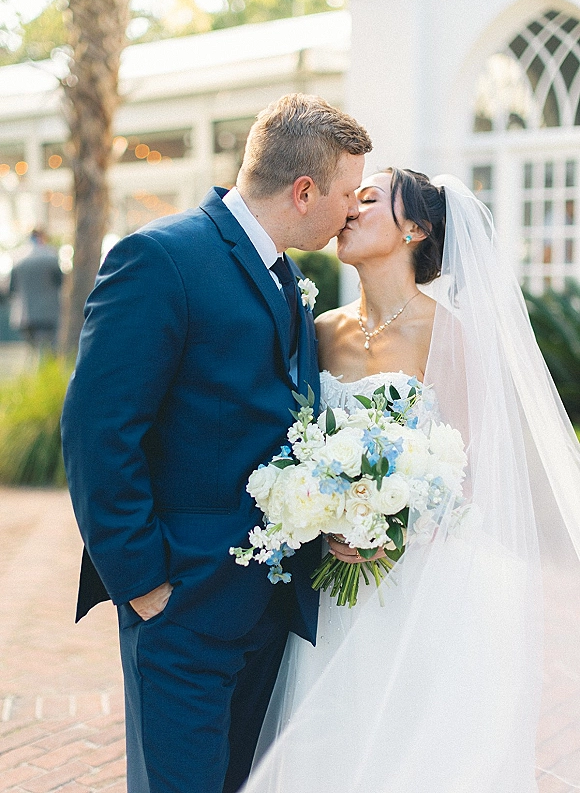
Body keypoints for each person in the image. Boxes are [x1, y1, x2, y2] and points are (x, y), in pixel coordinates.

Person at [60, 93, 372, 793]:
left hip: (265, 610)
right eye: (348, 193)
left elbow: (275, 427)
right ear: (303, 190)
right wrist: (143, 582)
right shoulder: (160, 259)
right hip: (184, 605)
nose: (353, 209)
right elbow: (96, 429)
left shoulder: (289, 277)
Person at [242, 169, 580, 793]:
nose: (350, 209)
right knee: (333, 741)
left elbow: (475, 472)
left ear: (415, 229)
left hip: (424, 583)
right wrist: (325, 509)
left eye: (367, 200)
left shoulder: (450, 333)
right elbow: (300, 441)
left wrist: (395, 526)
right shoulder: (318, 331)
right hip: (337, 586)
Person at [9, 227, 62, 351]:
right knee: (49, 349)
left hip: (25, 314)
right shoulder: (51, 257)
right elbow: (61, 282)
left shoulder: (18, 258)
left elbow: (12, 288)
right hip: (49, 312)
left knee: (33, 349)